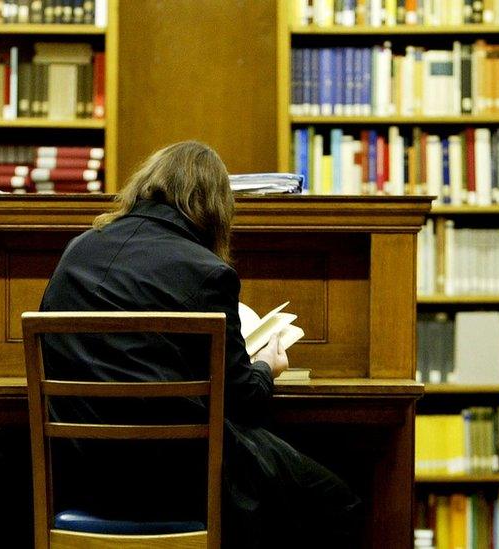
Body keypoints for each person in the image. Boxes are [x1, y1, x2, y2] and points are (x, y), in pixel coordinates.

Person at [38, 141, 363, 547]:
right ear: (213, 207)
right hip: (175, 476)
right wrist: (266, 365)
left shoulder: (78, 250)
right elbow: (243, 397)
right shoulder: (206, 271)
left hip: (82, 469)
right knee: (335, 501)